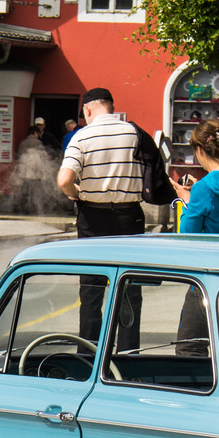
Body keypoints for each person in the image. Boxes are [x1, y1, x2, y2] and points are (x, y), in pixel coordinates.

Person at [58, 87, 147, 344]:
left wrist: (74, 193)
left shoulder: (81, 136)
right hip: (130, 217)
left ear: (87, 110)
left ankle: (88, 353)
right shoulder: (135, 133)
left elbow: (64, 179)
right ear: (111, 106)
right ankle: (127, 355)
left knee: (92, 290)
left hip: (92, 219)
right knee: (129, 289)